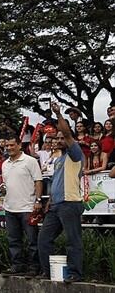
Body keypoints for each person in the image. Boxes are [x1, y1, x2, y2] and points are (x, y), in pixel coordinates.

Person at [38, 102, 85, 283]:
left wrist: (58, 114)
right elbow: (57, 182)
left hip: (70, 203)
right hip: (56, 205)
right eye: (56, 139)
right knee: (44, 239)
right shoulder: (58, 159)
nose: (58, 141)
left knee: (73, 240)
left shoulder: (75, 153)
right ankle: (48, 272)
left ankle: (75, 274)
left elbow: (66, 132)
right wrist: (50, 200)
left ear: (70, 140)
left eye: (61, 138)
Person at [0, 137, 43, 276]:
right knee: (13, 240)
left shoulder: (30, 161)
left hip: (27, 207)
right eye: (7, 145)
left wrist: (38, 200)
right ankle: (17, 265)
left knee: (32, 240)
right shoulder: (5, 163)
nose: (9, 147)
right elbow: (7, 183)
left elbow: (38, 181)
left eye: (12, 145)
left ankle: (34, 267)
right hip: (10, 207)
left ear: (19, 145)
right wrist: (3, 188)